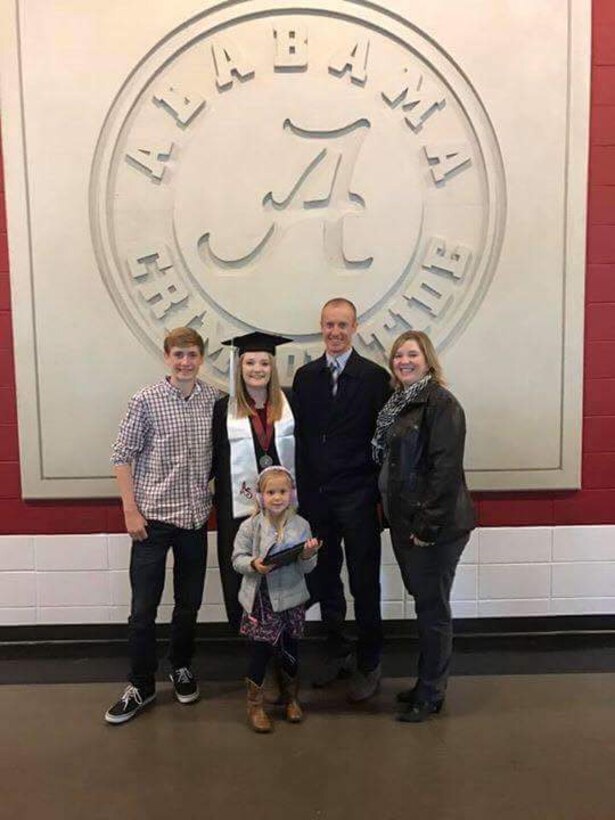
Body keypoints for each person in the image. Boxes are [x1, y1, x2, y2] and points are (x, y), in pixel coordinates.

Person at [105, 327, 218, 725]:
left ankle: (181, 666)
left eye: (192, 355)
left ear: (201, 358)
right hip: (151, 520)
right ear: (167, 357)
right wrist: (130, 510)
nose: (185, 362)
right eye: (178, 355)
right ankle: (140, 683)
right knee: (143, 609)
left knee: (189, 604)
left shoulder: (213, 401)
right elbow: (122, 455)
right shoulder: (146, 400)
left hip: (194, 520)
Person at [373, 330, 476, 723]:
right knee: (426, 605)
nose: (404, 361)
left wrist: (427, 528)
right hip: (406, 524)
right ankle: (425, 683)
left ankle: (431, 694)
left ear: (428, 360)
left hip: (434, 528)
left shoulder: (441, 404)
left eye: (412, 354)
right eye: (399, 355)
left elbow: (445, 472)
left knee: (433, 610)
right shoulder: (399, 404)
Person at [292, 298, 391, 701]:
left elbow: (382, 441)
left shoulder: (373, 377)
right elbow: (300, 439)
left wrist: (378, 493)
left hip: (358, 496)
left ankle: (370, 662)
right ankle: (337, 652)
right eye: (329, 325)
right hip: (318, 499)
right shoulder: (305, 376)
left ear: (355, 328)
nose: (335, 332)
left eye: (343, 325)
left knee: (364, 582)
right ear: (321, 327)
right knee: (324, 578)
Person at [212, 331, 295, 631]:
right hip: (239, 511)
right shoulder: (224, 409)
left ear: (273, 368)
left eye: (264, 363)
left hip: (282, 509)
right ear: (240, 366)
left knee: (282, 574)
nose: (257, 369)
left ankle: (282, 643)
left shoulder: (290, 404)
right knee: (244, 574)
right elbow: (217, 460)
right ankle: (252, 643)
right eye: (250, 362)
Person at [232, 466, 320, 733]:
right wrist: (253, 564)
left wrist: (307, 555)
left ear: (291, 494)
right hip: (261, 600)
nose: (277, 497)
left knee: (291, 648)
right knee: (259, 651)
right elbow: (237, 559)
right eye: (271, 492)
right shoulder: (250, 526)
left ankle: (292, 698)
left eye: (283, 491)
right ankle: (255, 705)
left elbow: (307, 568)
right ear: (260, 495)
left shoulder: (301, 525)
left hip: (292, 600)